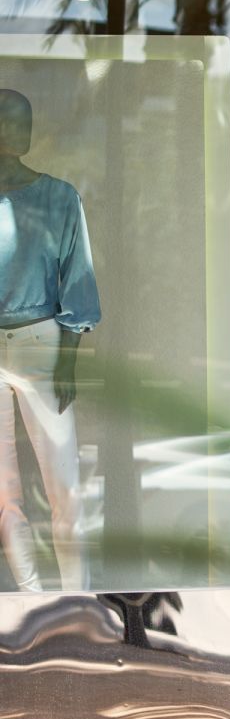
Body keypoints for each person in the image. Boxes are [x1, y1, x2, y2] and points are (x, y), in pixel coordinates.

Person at [0, 88, 99, 591]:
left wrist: (69, 360)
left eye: (23, 121)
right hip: (32, 343)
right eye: (7, 120)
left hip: (42, 340)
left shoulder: (60, 197)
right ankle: (32, 598)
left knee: (66, 485)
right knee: (4, 492)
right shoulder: (57, 197)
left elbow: (76, 277)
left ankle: (76, 596)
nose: (17, 131)